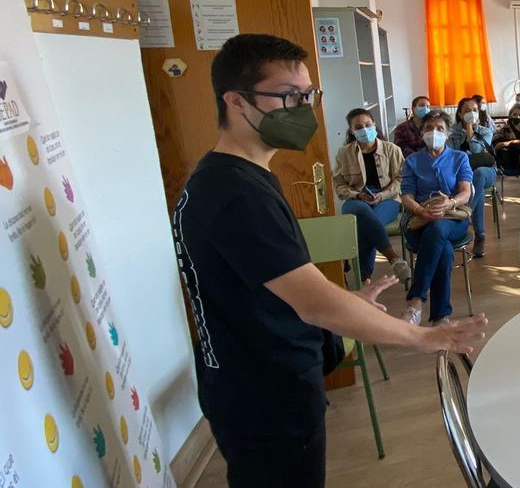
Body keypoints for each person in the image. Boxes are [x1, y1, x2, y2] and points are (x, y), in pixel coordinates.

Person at [173, 34, 485, 488]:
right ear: (237, 103)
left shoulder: (244, 177)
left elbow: (278, 286)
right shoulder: (233, 193)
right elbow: (314, 305)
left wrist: (350, 299)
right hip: (262, 389)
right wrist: (422, 337)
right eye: (289, 97)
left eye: (308, 95)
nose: (304, 108)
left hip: (266, 376)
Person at [400, 111, 476, 325]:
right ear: (421, 132)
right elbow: (406, 196)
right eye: (428, 128)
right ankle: (440, 316)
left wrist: (450, 203)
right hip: (419, 220)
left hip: (453, 218)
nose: (434, 132)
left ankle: (415, 301)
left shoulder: (459, 158)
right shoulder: (412, 161)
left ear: (448, 133)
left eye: (440, 128)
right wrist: (421, 211)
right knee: (442, 248)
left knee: (438, 229)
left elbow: (465, 192)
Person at [332, 108, 407, 282]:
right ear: (351, 131)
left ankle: (364, 280)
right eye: (358, 127)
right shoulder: (344, 153)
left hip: (387, 199)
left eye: (367, 125)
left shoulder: (392, 149)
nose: (364, 129)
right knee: (360, 211)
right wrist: (357, 195)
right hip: (356, 200)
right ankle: (393, 258)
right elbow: (339, 184)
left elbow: (401, 180)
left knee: (365, 226)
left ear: (374, 125)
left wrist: (382, 195)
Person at [449, 97, 497, 257]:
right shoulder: (452, 131)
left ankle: (465, 211)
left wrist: (470, 130)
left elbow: (477, 151)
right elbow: (449, 155)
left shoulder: (485, 131)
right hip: (462, 175)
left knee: (479, 174)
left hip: (487, 171)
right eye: (467, 111)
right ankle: (480, 235)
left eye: (474, 110)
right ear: (460, 113)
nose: (471, 113)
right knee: (477, 187)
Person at [493, 103, 520, 176]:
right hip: (511, 158)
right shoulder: (505, 129)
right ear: (510, 116)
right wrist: (509, 143)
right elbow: (496, 145)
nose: (518, 117)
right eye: (515, 115)